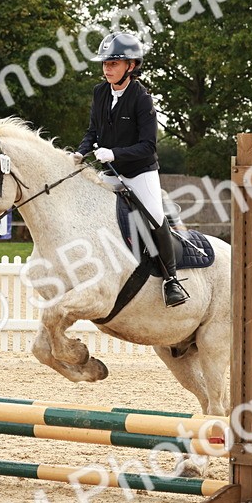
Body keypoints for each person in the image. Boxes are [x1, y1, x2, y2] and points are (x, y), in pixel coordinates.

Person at [72, 31, 188, 307]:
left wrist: (114, 152)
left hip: (140, 172)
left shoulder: (142, 98)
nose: (107, 69)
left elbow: (148, 146)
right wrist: (80, 151)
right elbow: (92, 131)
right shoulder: (100, 92)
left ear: (131, 66)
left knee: (155, 216)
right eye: (105, 64)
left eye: (113, 63)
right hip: (111, 172)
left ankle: (171, 279)